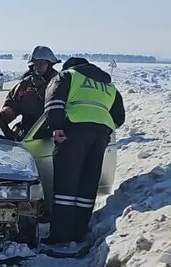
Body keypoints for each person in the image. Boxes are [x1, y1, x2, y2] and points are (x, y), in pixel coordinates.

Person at [42, 57, 126, 246]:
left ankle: (60, 236)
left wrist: (56, 127)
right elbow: (119, 117)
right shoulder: (108, 86)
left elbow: (53, 102)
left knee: (66, 184)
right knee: (87, 185)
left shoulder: (67, 75)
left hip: (73, 130)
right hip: (100, 137)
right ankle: (78, 233)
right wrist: (103, 129)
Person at [1, 45, 59, 134]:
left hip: (52, 133)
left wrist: (41, 87)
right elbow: (12, 102)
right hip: (28, 132)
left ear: (49, 64)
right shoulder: (25, 84)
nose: (37, 67)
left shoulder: (59, 82)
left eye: (41, 63)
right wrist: (6, 114)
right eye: (35, 64)